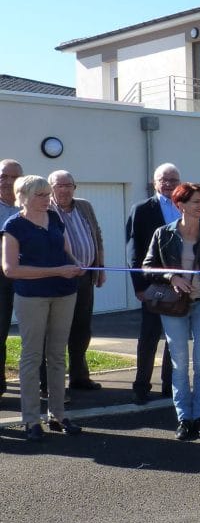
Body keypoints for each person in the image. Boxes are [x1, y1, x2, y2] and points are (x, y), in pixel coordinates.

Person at [1, 175, 85, 440]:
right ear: (23, 196)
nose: (47, 198)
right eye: (41, 194)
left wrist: (75, 265)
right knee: (31, 356)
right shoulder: (13, 225)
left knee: (58, 356)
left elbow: (66, 249)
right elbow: (10, 269)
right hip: (32, 297)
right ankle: (30, 420)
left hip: (64, 293)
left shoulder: (55, 218)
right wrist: (56, 270)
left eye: (47, 193)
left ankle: (58, 416)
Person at [143, 182, 200, 441]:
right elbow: (147, 267)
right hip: (174, 306)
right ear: (180, 205)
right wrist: (172, 277)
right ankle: (184, 418)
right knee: (180, 364)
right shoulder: (162, 234)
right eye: (195, 201)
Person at [40, 170, 105, 393]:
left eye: (69, 185)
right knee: (55, 330)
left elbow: (96, 235)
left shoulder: (84, 206)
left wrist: (100, 268)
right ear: (50, 188)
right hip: (57, 279)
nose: (65, 189)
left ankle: (79, 377)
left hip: (85, 277)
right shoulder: (44, 209)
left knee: (82, 328)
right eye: (59, 185)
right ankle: (51, 382)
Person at [125, 162, 178, 404]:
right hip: (153, 285)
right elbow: (133, 251)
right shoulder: (142, 209)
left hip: (181, 286)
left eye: (173, 180)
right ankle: (141, 386)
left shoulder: (186, 206)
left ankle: (170, 385)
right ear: (154, 182)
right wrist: (139, 286)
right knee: (149, 337)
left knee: (174, 339)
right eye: (163, 180)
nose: (168, 184)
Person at [0, 158, 23, 399]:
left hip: (30, 277)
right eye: (3, 177)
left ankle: (42, 384)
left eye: (14, 177)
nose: (8, 182)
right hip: (0, 279)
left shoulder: (30, 207)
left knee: (36, 333)